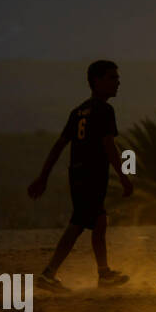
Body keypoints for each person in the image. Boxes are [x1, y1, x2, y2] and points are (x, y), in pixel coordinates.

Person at [27, 60, 133, 291]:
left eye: (117, 78)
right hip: (91, 176)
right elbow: (109, 146)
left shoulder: (78, 112)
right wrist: (124, 177)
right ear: (97, 81)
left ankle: (104, 274)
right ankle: (49, 273)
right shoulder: (104, 110)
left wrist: (43, 176)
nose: (118, 82)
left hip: (78, 174)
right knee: (78, 224)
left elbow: (58, 146)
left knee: (99, 221)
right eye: (112, 77)